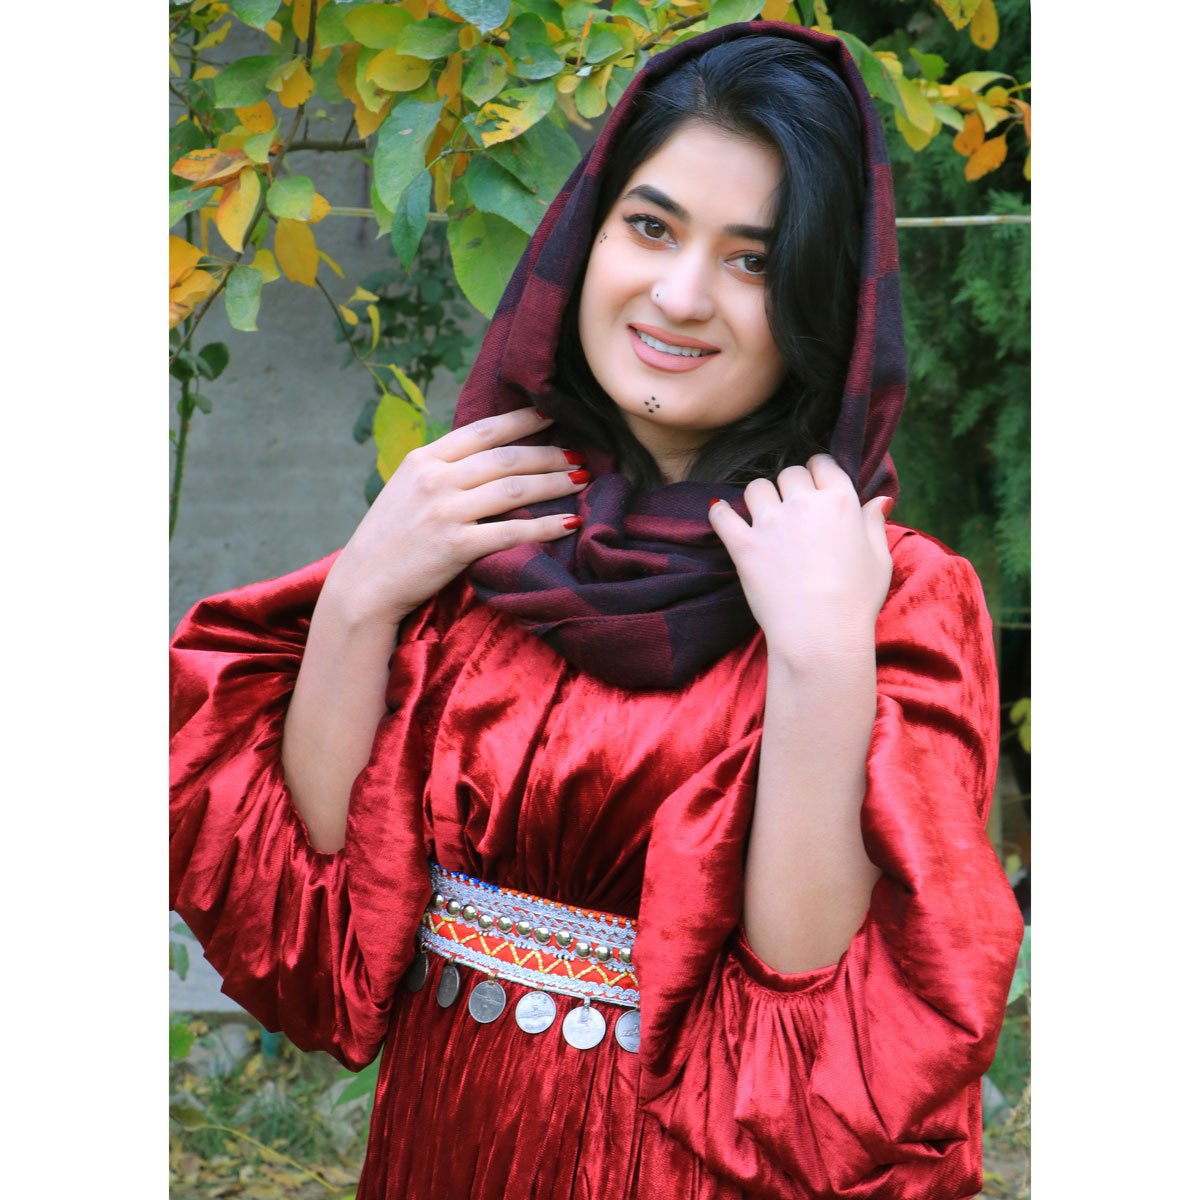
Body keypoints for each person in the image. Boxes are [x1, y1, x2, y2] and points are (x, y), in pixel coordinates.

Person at [170, 20, 1024, 1200]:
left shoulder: (884, 590)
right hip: (442, 1149)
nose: (679, 295)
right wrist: (362, 593)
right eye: (652, 227)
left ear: (824, 302)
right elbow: (314, 918)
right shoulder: (489, 521)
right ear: (586, 233)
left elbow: (803, 1054)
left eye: (754, 262)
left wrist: (823, 661)